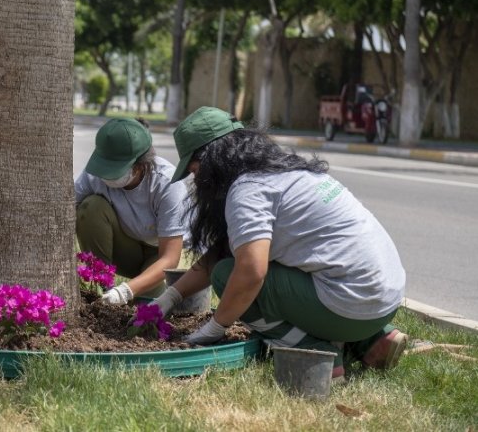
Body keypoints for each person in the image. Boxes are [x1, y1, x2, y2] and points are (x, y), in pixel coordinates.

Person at [152, 106, 407, 380]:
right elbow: (223, 249)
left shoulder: (248, 190)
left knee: (228, 276)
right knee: (250, 265)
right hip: (386, 298)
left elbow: (250, 273)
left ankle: (317, 352)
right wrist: (172, 296)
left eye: (194, 171)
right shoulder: (286, 172)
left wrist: (216, 326)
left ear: (213, 160)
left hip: (352, 305)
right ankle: (373, 341)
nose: (196, 182)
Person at [75, 117, 191, 305]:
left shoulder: (167, 183)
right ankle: (102, 286)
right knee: (91, 206)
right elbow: (66, 210)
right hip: (124, 247)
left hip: (157, 254)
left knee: (145, 306)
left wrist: (126, 291)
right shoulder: (96, 171)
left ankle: (140, 291)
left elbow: (170, 257)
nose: (105, 175)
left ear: (140, 166)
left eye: (115, 170)